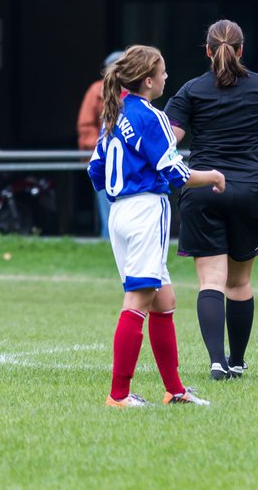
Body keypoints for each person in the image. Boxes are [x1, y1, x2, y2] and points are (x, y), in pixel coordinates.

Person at [87, 45, 225, 408]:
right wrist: (212, 176)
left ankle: (175, 391)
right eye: (162, 72)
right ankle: (118, 395)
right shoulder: (152, 116)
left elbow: (95, 170)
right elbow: (173, 171)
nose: (167, 77)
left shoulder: (115, 114)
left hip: (119, 213)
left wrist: (125, 185)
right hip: (146, 211)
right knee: (137, 299)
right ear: (148, 80)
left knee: (164, 301)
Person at [165, 20, 258, 380]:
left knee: (211, 282)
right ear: (241, 49)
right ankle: (237, 360)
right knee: (239, 283)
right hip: (249, 190)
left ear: (207, 50)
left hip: (203, 190)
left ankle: (216, 361)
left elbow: (169, 138)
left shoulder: (191, 89)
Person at [77, 49, 125, 238]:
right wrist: (102, 147)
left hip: (129, 160)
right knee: (107, 207)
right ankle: (108, 242)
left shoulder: (133, 90)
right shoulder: (96, 91)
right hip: (105, 159)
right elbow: (85, 126)